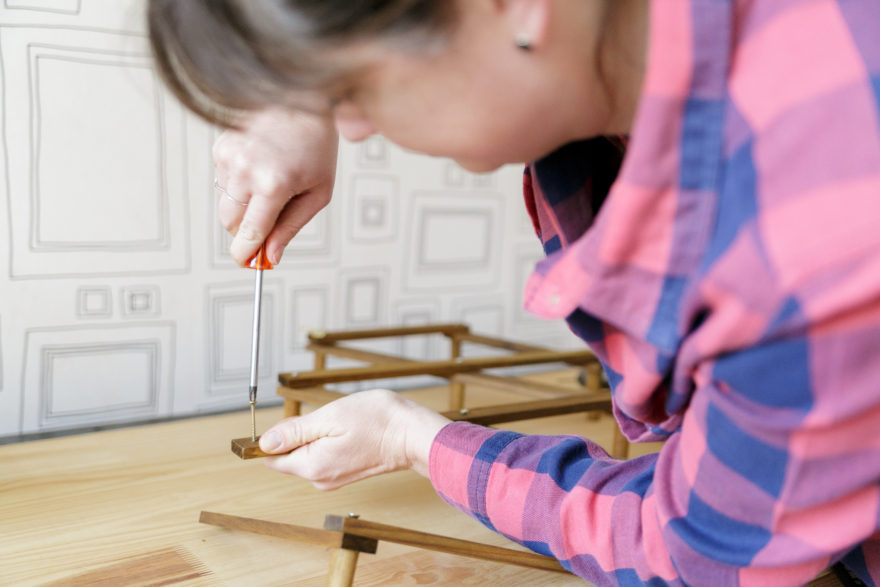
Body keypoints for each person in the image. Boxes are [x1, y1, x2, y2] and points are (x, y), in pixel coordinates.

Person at [147, 1, 880, 584]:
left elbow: (690, 553)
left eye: (353, 93)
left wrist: (416, 439)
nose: (358, 130)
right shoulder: (626, 58)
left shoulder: (819, 232)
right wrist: (303, 90)